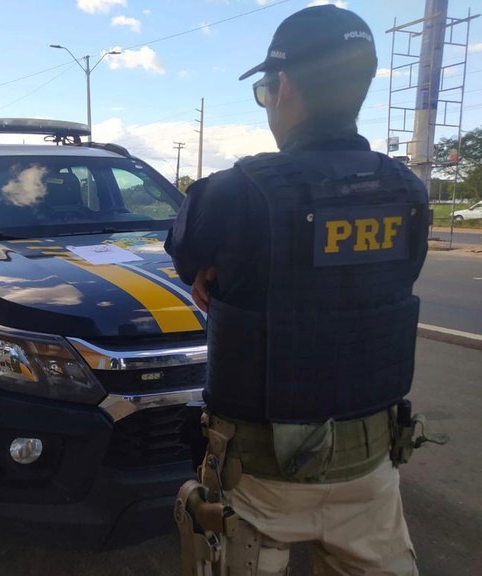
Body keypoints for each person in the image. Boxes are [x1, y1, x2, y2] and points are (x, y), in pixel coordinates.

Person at [167, 5, 437, 575]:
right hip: (371, 470)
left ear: (284, 86)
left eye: (266, 90)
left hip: (259, 479)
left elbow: (186, 256)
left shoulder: (231, 193)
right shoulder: (407, 190)